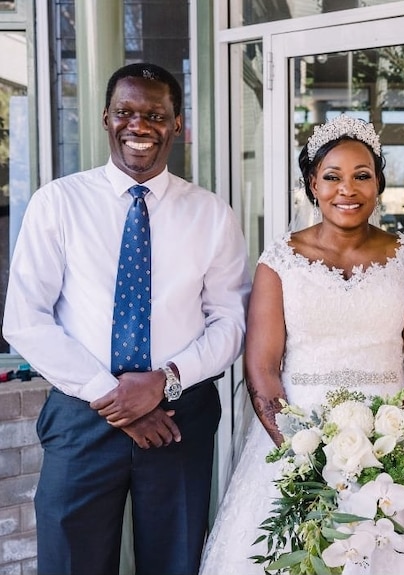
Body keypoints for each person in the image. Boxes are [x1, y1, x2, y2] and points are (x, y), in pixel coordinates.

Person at [199, 115, 404, 575]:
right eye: (332, 177)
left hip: (395, 437)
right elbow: (261, 367)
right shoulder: (279, 260)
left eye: (362, 176)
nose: (348, 189)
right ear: (312, 185)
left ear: (378, 183)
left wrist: (397, 450)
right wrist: (301, 456)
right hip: (298, 437)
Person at [3, 62, 251, 575]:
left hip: (178, 419)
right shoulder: (59, 203)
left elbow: (231, 321)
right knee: (70, 563)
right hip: (82, 417)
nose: (139, 126)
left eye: (155, 115)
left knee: (175, 563)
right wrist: (116, 397)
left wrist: (164, 382)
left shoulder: (212, 215)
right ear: (106, 119)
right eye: (126, 112)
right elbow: (25, 319)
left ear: (176, 124)